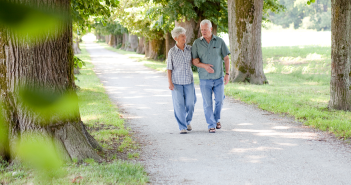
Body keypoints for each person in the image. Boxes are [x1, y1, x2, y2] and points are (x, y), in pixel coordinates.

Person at [192, 19, 230, 133]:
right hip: (204, 79)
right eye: (201, 29)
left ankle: (216, 119)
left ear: (211, 29)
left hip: (219, 78)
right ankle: (211, 124)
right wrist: (204, 66)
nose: (203, 32)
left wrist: (227, 74)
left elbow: (226, 58)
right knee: (207, 103)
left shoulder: (219, 41)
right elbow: (194, 60)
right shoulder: (197, 43)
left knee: (220, 100)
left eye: (205, 29)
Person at [167, 27, 197, 134]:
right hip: (176, 83)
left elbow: (196, 61)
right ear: (176, 38)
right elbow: (169, 68)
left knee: (191, 103)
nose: (185, 38)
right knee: (179, 105)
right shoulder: (172, 52)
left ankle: (187, 121)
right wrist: (170, 83)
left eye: (185, 35)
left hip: (189, 81)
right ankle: (182, 126)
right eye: (182, 36)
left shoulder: (190, 49)